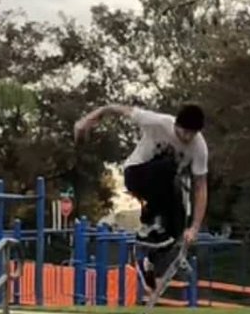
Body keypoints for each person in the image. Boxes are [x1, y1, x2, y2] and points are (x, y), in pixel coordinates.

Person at [74, 103, 209, 249]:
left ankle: (157, 249)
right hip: (136, 174)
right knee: (169, 166)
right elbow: (116, 109)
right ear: (176, 124)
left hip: (162, 186)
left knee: (176, 226)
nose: (187, 137)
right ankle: (151, 220)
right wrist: (87, 120)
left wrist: (195, 228)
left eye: (192, 134)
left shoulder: (199, 147)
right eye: (184, 132)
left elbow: (200, 187)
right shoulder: (158, 122)